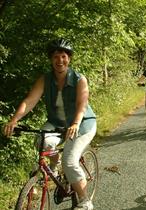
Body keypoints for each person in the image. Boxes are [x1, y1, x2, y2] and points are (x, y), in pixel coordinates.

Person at [2, 38, 96, 210]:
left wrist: (75, 123)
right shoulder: (45, 79)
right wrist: (15, 119)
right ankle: (53, 166)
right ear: (51, 59)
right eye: (55, 57)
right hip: (57, 123)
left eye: (63, 57)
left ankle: (85, 200)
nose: (60, 61)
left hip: (82, 125)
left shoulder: (79, 79)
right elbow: (30, 101)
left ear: (69, 59)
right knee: (41, 142)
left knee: (70, 161)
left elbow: (81, 105)